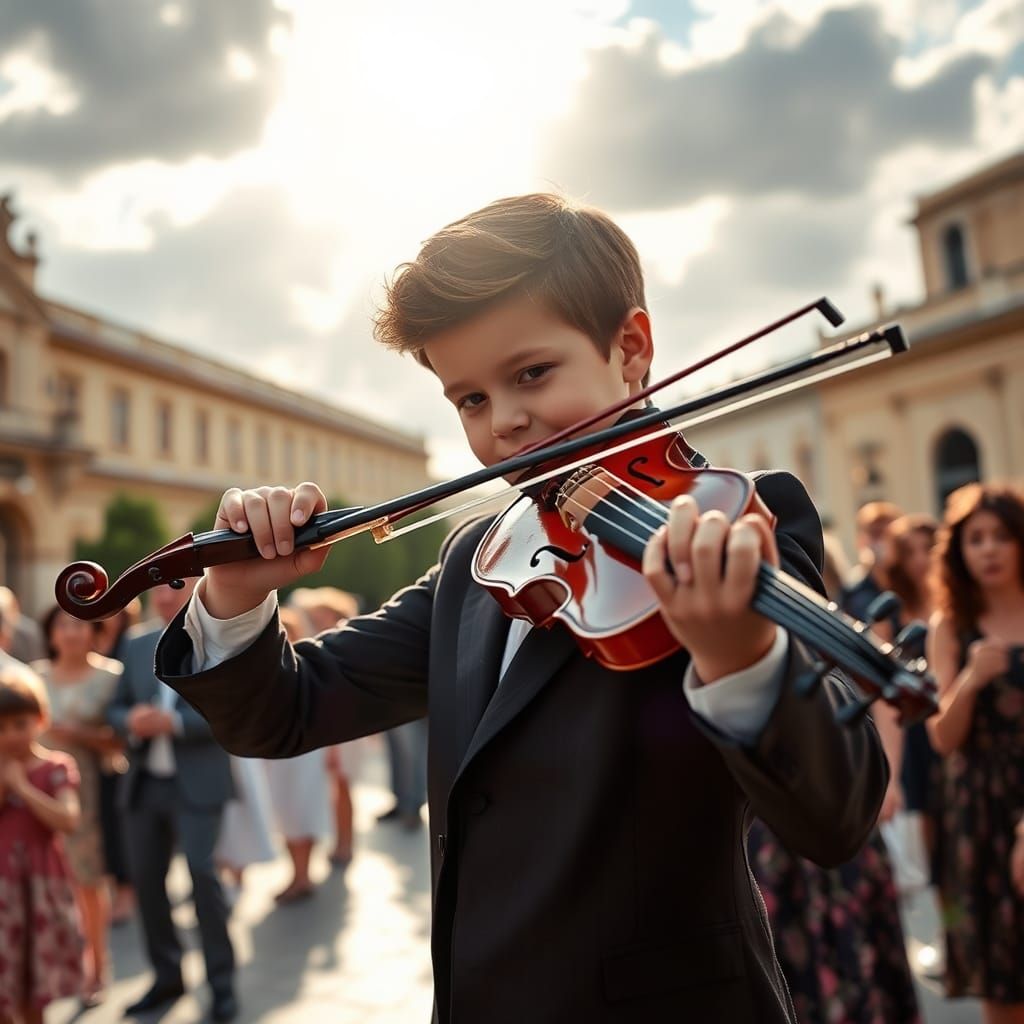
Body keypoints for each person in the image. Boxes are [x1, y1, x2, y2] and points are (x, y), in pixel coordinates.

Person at [155, 193, 887, 1022]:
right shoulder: (482, 556)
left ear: (631, 349)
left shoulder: (734, 519)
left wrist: (740, 656)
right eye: (469, 399)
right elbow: (282, 714)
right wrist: (236, 595)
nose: (504, 422)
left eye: (531, 374)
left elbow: (838, 813)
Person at [108, 579, 238, 1022]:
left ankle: (222, 985)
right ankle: (167, 977)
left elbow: (233, 713)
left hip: (198, 784)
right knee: (147, 884)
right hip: (144, 784)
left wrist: (175, 724)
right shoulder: (136, 643)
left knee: (203, 879)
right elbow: (116, 706)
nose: (164, 595)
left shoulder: (219, 642)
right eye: (158, 588)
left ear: (199, 589)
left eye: (176, 586)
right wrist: (132, 720)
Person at [926, 482, 1024, 1023]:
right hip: (980, 812)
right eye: (975, 539)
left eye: (1001, 537)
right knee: (1003, 981)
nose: (987, 549)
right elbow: (942, 737)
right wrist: (970, 679)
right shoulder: (950, 627)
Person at [34, 606, 123, 1007]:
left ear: (95, 631)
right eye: (62, 625)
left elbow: (123, 739)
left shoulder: (112, 677)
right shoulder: (29, 678)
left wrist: (81, 734)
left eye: (78, 624)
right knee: (40, 881)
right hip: (34, 796)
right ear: (51, 634)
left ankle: (97, 966)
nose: (70, 633)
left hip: (89, 792)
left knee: (87, 880)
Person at [0, 661, 84, 1024]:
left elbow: (67, 819)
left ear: (40, 719)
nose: (11, 735)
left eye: (20, 724)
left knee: (36, 985)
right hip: (3, 891)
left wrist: (22, 788)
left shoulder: (55, 767)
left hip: (40, 887)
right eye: (1, 728)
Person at [262, 605, 333, 902]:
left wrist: (332, 751)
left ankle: (304, 874)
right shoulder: (263, 674)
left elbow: (326, 711)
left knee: (305, 810)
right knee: (285, 815)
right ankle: (297, 873)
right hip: (276, 756)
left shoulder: (307, 666)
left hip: (307, 752)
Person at [92, 600, 142, 925]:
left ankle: (127, 890)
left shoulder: (131, 646)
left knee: (116, 823)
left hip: (117, 752)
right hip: (88, 756)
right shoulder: (90, 640)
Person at [841, 501, 903, 622]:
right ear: (861, 539)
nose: (882, 540)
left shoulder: (915, 583)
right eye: (875, 533)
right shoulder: (853, 590)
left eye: (888, 534)